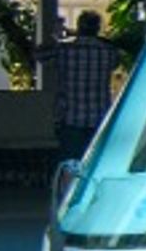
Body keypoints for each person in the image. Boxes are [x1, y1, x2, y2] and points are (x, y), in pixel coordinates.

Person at [48, 8, 118, 155]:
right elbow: (115, 63)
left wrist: (57, 35)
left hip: (70, 118)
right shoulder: (109, 51)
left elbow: (38, 55)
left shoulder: (64, 50)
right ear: (98, 28)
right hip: (100, 117)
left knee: (69, 163)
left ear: (79, 26)